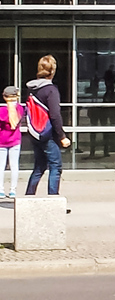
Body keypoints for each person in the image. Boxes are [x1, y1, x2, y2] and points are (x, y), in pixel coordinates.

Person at [25, 55, 71, 196]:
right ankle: (53, 201)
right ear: (52, 71)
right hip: (48, 133)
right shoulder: (51, 90)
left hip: (34, 132)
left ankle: (29, 197)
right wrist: (62, 136)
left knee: (39, 166)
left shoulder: (31, 88)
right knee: (56, 166)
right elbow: (55, 115)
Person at [0, 86, 24, 198]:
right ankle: (12, 190)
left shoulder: (1, 111)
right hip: (15, 140)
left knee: (1, 166)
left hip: (1, 141)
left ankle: (0, 190)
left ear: (4, 97)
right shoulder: (20, 109)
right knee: (14, 166)